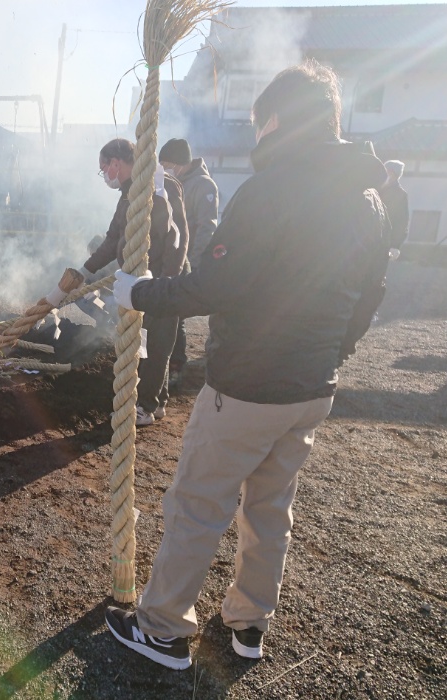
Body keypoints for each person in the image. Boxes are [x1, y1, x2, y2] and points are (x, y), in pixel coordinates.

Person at [106, 60, 389, 670]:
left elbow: (215, 286)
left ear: (280, 121)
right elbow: (370, 295)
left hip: (247, 388)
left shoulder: (271, 190)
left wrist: (139, 293)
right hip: (314, 389)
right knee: (270, 506)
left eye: (261, 124)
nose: (258, 136)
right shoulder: (369, 199)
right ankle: (248, 624)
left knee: (198, 503)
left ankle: (160, 630)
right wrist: (334, 354)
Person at [81, 138, 183, 427]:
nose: (104, 175)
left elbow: (179, 238)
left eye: (104, 169)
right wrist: (85, 270)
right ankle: (158, 400)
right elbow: (113, 238)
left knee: (156, 343)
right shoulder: (127, 194)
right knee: (148, 343)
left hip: (162, 280)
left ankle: (145, 406)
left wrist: (165, 282)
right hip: (141, 281)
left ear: (116, 163)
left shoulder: (161, 187)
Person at [159, 137, 219, 382]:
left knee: (176, 315)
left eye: (166, 164)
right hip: (170, 258)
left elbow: (207, 228)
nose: (163, 169)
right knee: (167, 312)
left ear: (180, 164)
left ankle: (175, 365)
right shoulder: (174, 182)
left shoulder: (204, 186)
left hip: (186, 259)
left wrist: (193, 262)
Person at [378, 159, 410, 255]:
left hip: (384, 241)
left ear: (393, 173)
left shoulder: (400, 194)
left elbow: (402, 221)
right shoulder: (376, 188)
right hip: (368, 238)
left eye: (385, 170)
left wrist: (395, 245)